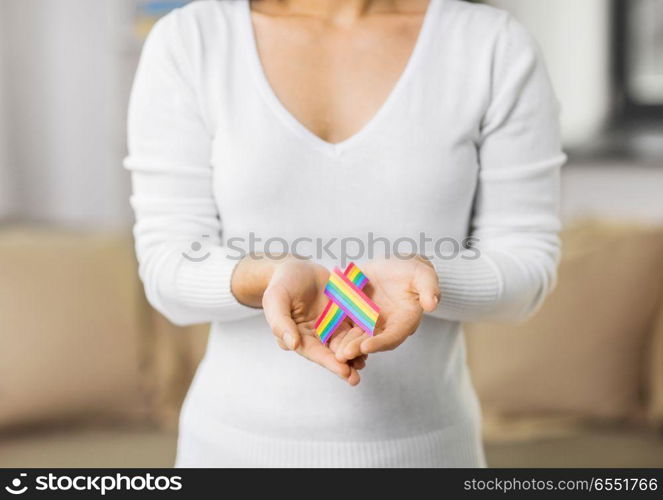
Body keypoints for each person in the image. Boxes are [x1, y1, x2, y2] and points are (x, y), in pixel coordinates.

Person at [125, 0, 565, 467]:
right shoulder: (190, 40)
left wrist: (427, 278)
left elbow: (527, 267)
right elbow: (167, 267)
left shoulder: (493, 46)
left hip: (428, 454)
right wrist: (267, 278)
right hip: (231, 452)